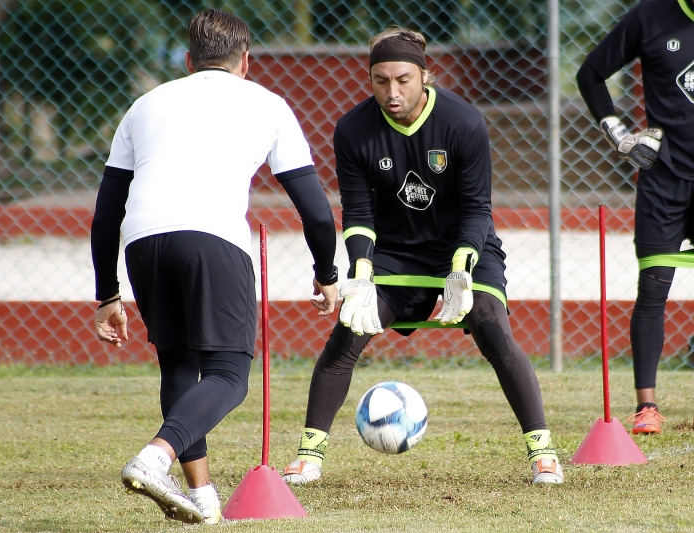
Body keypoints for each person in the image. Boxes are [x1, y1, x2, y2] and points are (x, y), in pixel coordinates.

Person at [282, 27, 564, 487]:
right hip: (395, 253)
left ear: (425, 76)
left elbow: (477, 209)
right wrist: (361, 274)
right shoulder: (353, 129)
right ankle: (308, 456)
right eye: (380, 81)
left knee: (491, 325)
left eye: (403, 80)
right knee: (348, 332)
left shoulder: (463, 121)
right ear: (370, 79)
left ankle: (544, 453)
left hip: (464, 247)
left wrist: (461, 268)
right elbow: (358, 213)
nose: (392, 93)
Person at [90, 8, 339, 525]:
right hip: (213, 240)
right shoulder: (268, 104)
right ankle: (154, 458)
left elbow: (107, 212)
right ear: (245, 61)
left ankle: (202, 499)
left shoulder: (144, 105)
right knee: (229, 375)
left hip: (143, 242)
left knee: (179, 365)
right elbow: (315, 209)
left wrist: (107, 294)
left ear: (188, 61)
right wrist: (327, 272)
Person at [576, 0, 694, 435]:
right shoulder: (649, 17)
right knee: (654, 289)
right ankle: (647, 408)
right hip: (664, 179)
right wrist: (619, 134)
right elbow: (590, 73)